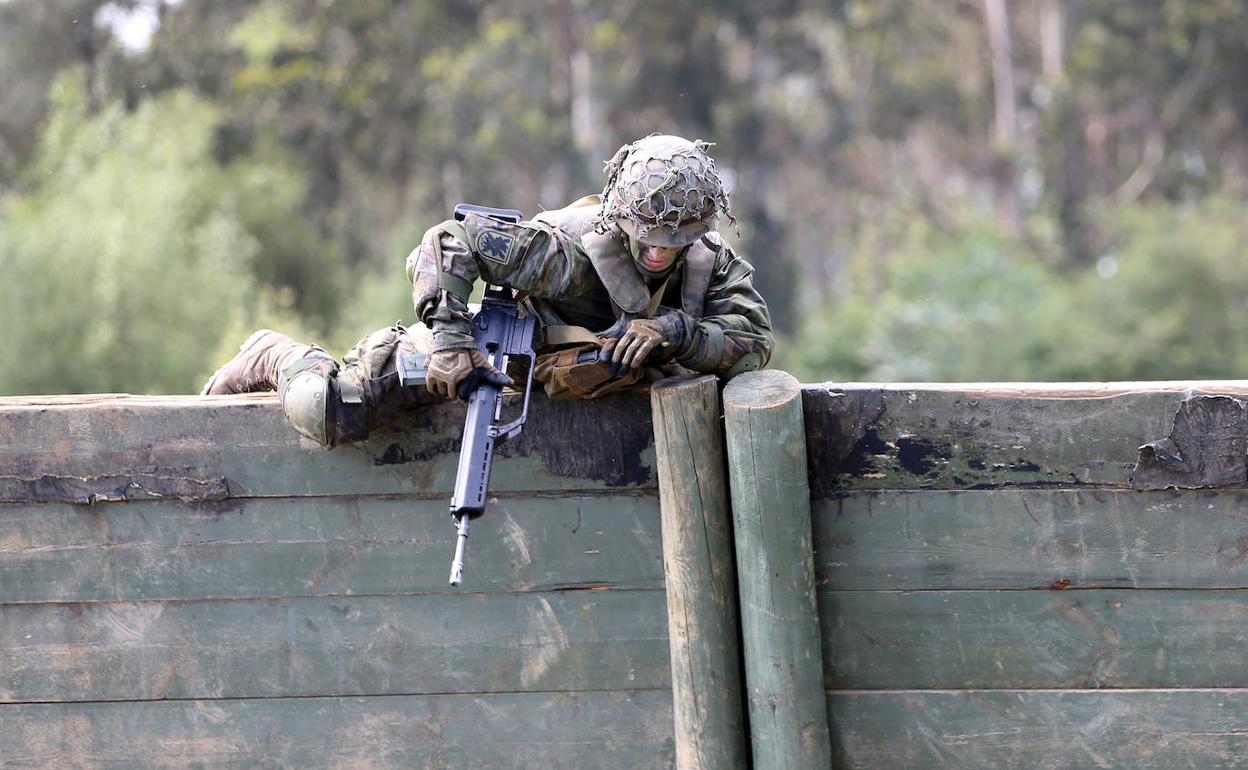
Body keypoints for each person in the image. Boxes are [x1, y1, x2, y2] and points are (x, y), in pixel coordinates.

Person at [201, 134, 774, 447]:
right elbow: (448, 242)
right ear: (620, 217)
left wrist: (676, 331)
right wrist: (451, 343)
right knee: (329, 409)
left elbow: (752, 345)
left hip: (591, 402)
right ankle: (275, 355)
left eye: (675, 240)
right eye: (646, 236)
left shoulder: (708, 267)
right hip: (495, 355)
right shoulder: (569, 255)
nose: (658, 253)